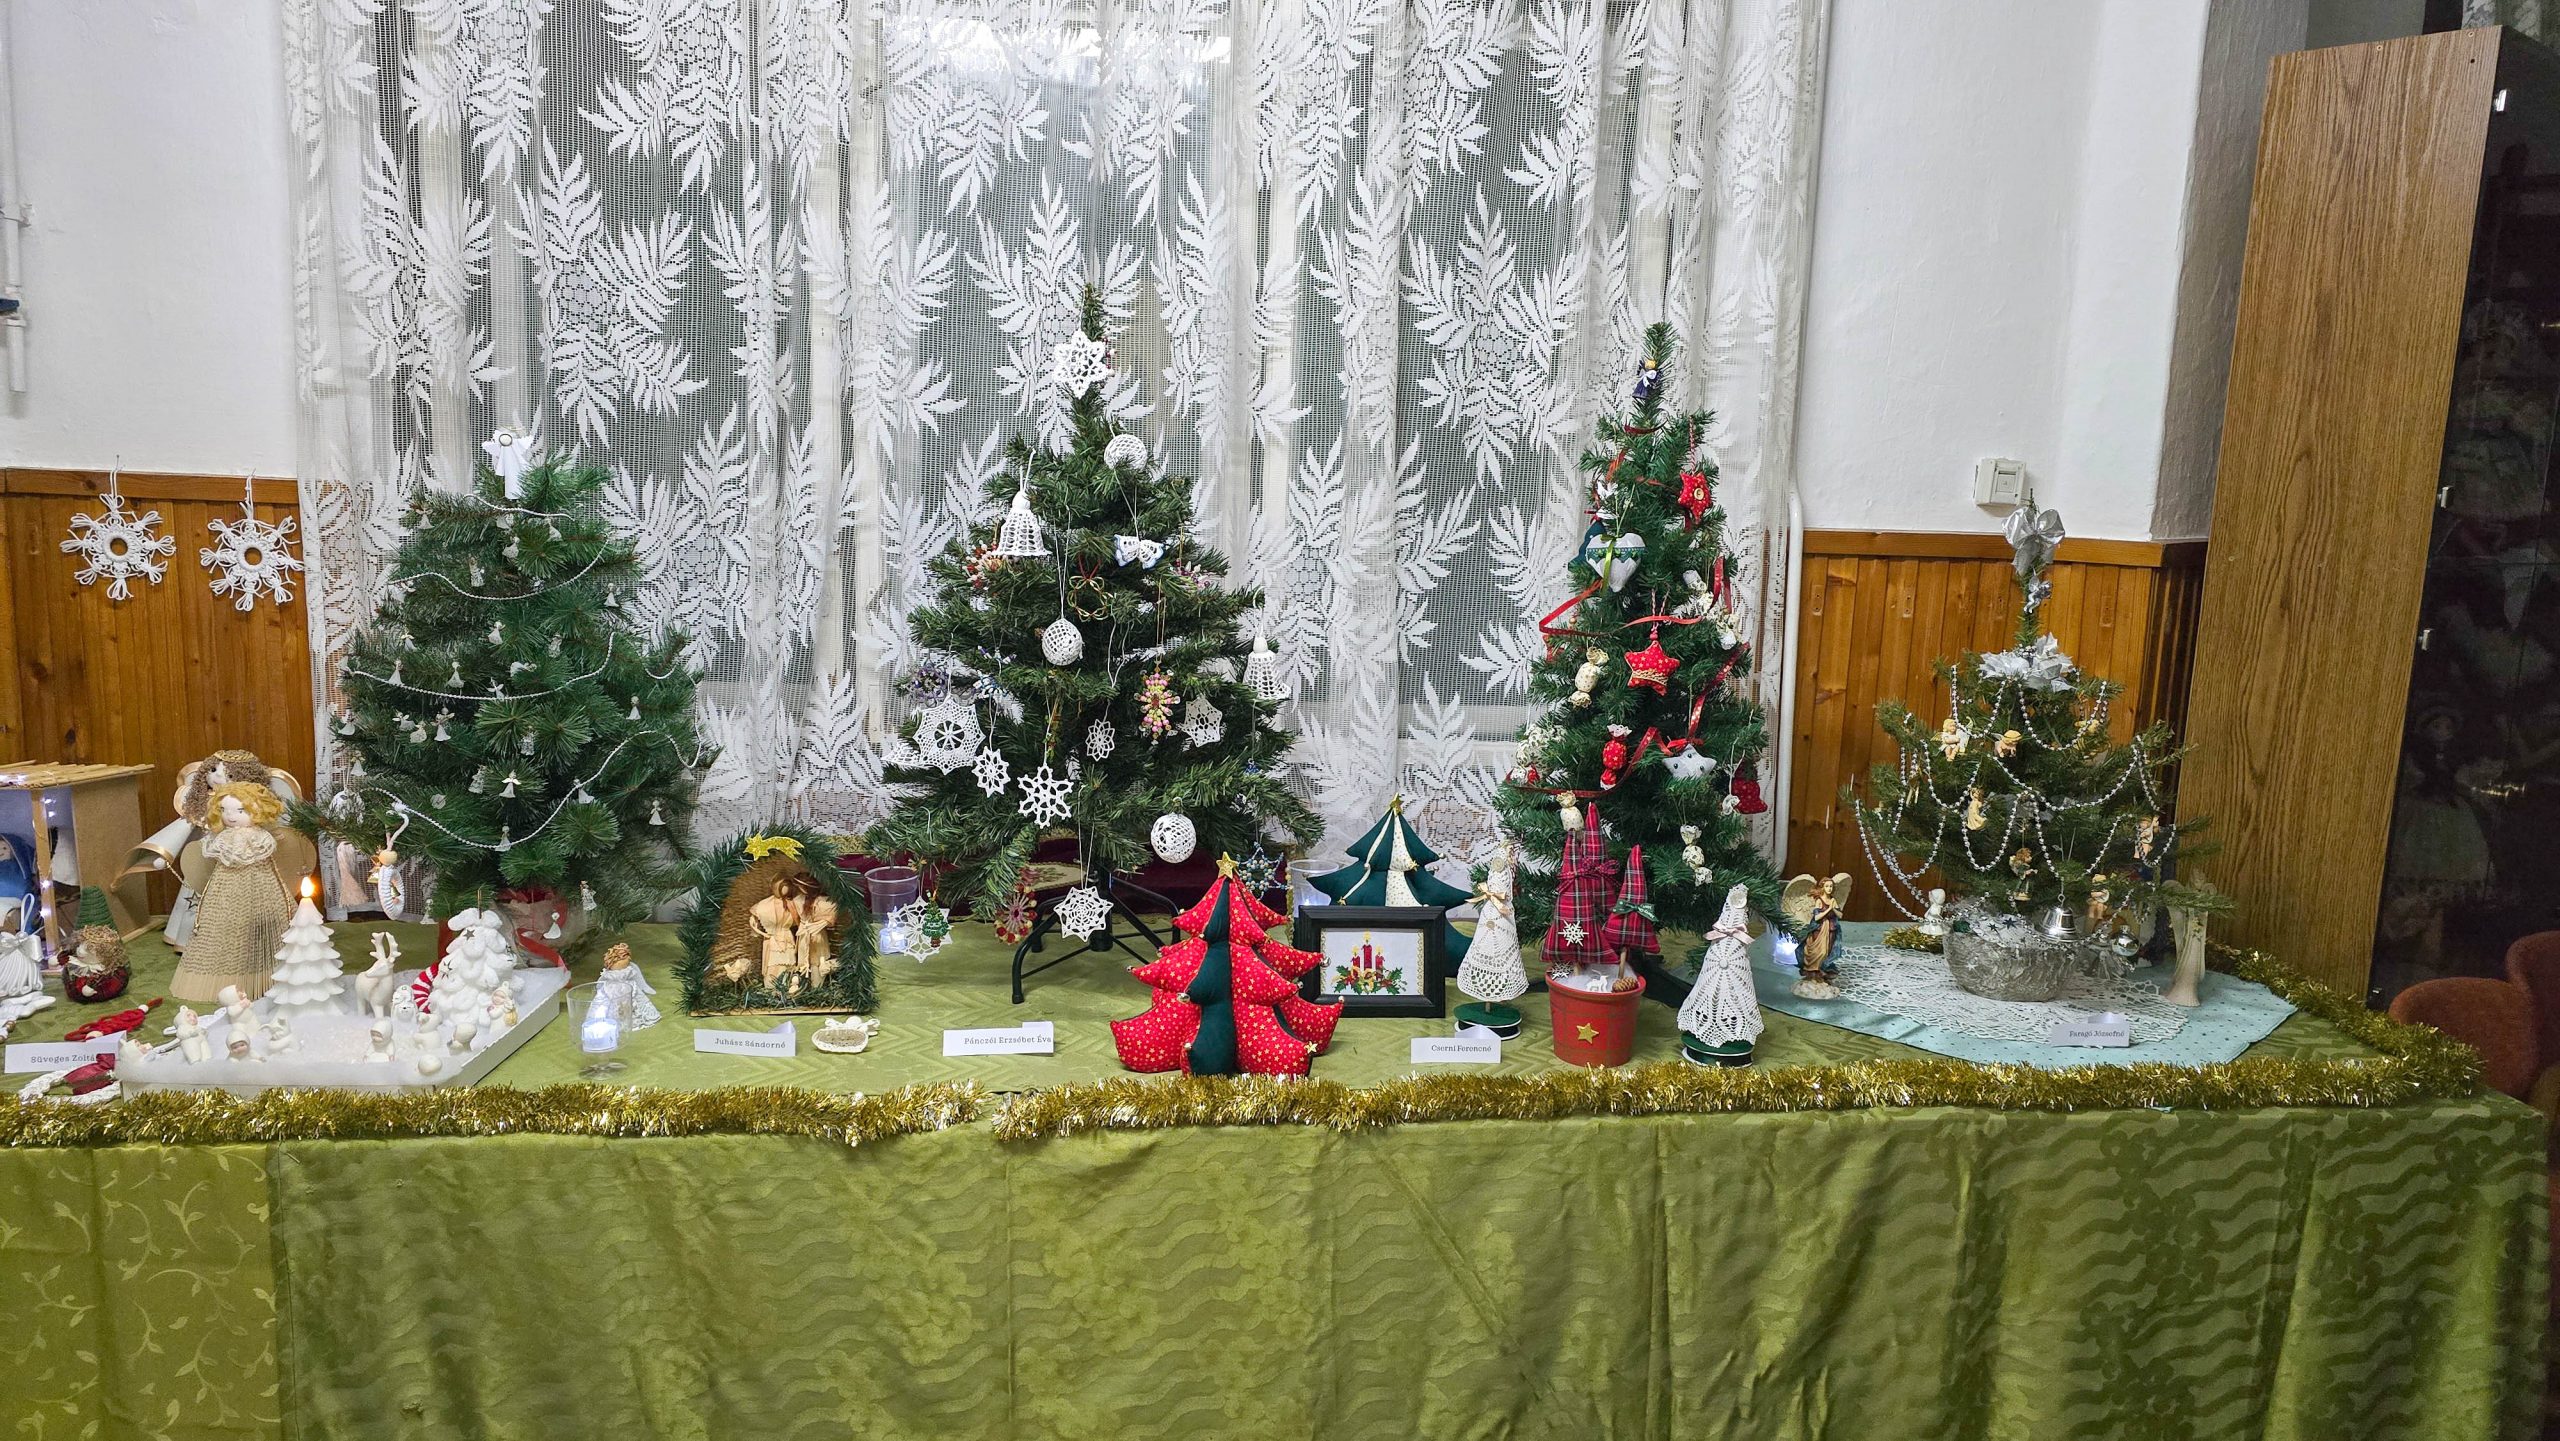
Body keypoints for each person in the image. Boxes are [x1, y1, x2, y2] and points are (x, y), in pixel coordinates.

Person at [170, 783, 304, 1003]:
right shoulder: (223, 838)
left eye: (240, 811)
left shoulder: (259, 837)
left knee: (267, 923)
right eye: (224, 810)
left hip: (261, 887)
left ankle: (266, 973)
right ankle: (231, 977)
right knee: (227, 926)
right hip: (226, 889)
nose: (230, 816)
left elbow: (268, 860)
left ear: (257, 811)